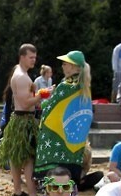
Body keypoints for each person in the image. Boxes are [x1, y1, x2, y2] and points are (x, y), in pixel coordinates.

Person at [35, 50, 93, 182]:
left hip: (57, 136)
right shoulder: (84, 85)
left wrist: (41, 103)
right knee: (71, 173)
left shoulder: (66, 86)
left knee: (54, 165)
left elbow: (50, 107)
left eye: (65, 63)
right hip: (75, 139)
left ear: (73, 66)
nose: (62, 66)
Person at [0, 44, 42, 196]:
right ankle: (31, 194)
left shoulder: (19, 72)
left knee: (16, 158)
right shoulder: (22, 77)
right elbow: (25, 103)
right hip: (24, 119)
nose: (33, 61)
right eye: (31, 57)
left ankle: (17, 190)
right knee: (29, 158)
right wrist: (42, 95)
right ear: (22, 57)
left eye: (35, 58)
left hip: (18, 119)